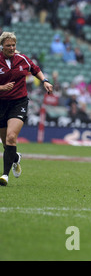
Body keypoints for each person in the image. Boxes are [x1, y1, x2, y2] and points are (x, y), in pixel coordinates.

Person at [0, 32, 53, 186]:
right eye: (8, 45)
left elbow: (35, 69)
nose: (11, 48)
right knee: (5, 143)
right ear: (2, 46)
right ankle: (15, 158)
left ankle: (4, 175)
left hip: (19, 103)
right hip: (1, 104)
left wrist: (45, 81)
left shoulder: (22, 59)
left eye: (13, 45)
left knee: (11, 137)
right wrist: (2, 87)